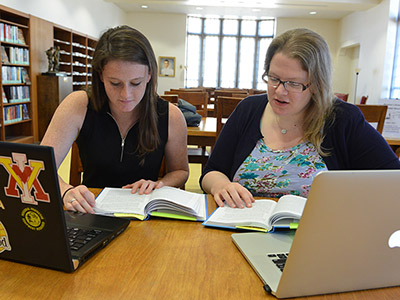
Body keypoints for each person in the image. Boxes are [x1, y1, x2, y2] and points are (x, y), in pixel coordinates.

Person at [200, 28, 400, 209]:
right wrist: (221, 185)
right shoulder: (248, 109)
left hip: (316, 235)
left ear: (316, 85)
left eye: (294, 84)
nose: (280, 91)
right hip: (241, 228)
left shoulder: (341, 118)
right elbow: (212, 170)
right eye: (274, 78)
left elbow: (393, 179)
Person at [41, 25, 189, 214]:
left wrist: (158, 184)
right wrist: (66, 191)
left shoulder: (171, 116)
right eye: (115, 83)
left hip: (144, 215)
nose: (126, 94)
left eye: (136, 83)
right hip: (90, 212)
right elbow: (41, 166)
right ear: (101, 75)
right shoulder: (78, 105)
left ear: (149, 75)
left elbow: (181, 172)